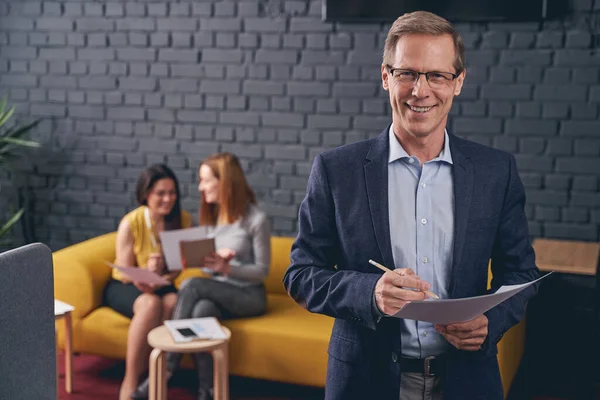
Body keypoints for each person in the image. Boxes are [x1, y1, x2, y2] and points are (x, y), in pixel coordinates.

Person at [283, 11, 540, 400]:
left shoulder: (495, 172)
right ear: (386, 77)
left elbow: (521, 272)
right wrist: (370, 293)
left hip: (467, 381)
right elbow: (300, 275)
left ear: (459, 83)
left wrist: (491, 320)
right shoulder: (337, 171)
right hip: (365, 382)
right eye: (407, 73)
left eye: (437, 75)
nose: (421, 91)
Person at [132, 152, 271, 400]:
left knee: (192, 284)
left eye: (206, 181)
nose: (200, 187)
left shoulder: (256, 219)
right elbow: (210, 269)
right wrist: (207, 261)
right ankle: (208, 390)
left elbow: (262, 272)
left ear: (225, 182)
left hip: (249, 296)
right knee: (201, 311)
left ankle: (166, 369)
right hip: (218, 292)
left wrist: (228, 268)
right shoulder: (214, 216)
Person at [103, 163, 192, 400]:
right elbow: (124, 271)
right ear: (146, 195)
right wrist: (145, 272)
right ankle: (130, 380)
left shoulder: (182, 219)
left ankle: (155, 375)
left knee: (172, 301)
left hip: (161, 283)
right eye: (160, 193)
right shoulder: (130, 223)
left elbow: (178, 271)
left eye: (172, 192)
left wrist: (163, 273)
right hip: (125, 285)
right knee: (150, 303)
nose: (168, 199)